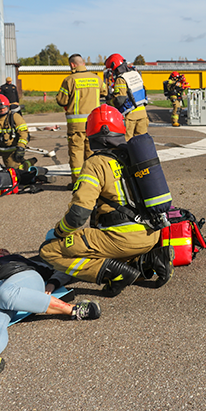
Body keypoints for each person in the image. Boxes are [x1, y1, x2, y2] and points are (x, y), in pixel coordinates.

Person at [39, 105, 173, 297]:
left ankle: (115, 274)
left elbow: (78, 214)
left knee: (48, 251)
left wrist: (60, 231)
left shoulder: (96, 163)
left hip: (122, 239)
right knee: (110, 246)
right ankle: (151, 259)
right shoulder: (135, 155)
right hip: (152, 235)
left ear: (93, 133)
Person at [0, 248, 100, 380]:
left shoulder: (19, 260)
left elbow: (62, 269)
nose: (0, 250)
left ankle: (74, 309)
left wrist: (52, 283)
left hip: (20, 275)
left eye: (4, 250)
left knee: (5, 295)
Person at [56, 54, 101, 186]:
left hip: (76, 126)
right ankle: (93, 182)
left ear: (72, 65)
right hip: (94, 124)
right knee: (92, 153)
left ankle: (78, 183)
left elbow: (61, 100)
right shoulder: (96, 78)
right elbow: (104, 92)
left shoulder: (69, 80)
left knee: (76, 154)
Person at [105, 54, 149, 140]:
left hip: (130, 116)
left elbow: (119, 100)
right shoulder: (136, 74)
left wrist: (109, 102)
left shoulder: (121, 79)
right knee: (141, 142)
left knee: (127, 142)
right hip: (143, 113)